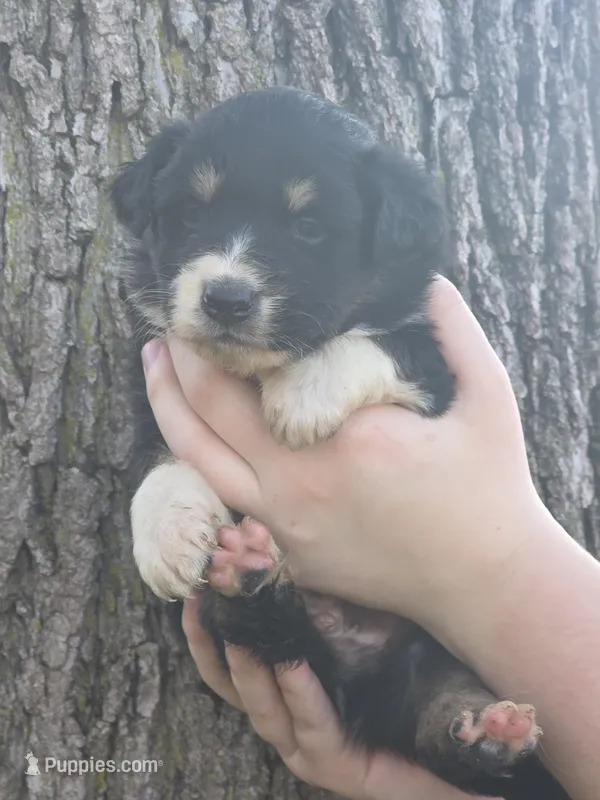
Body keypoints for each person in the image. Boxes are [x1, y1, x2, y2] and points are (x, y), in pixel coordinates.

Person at [140, 277, 600, 800]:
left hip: (412, 670)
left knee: (427, 694)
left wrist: (491, 561)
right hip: (339, 658)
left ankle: (449, 721)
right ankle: (257, 593)